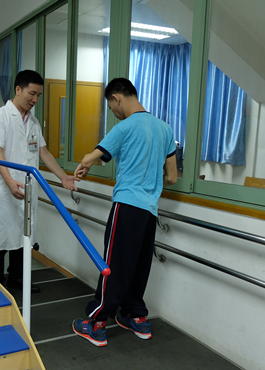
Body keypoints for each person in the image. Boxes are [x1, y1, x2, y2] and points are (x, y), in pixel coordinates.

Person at [72, 78, 178, 346]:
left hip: (127, 205)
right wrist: (149, 183)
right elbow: (173, 177)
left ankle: (96, 322)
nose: (113, 112)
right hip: (149, 209)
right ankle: (135, 316)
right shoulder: (165, 129)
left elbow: (90, 157)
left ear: (117, 98)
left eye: (111, 106)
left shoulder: (125, 126)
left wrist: (84, 166)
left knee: (114, 265)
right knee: (139, 264)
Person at [0, 70, 78, 293]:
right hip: (4, 191)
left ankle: (17, 278)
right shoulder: (0, 117)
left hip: (27, 188)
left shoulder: (33, 122)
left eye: (38, 96)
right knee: (1, 237)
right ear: (18, 89)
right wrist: (8, 182)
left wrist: (63, 176)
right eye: (32, 94)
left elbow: (43, 153)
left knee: (23, 234)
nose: (35, 100)